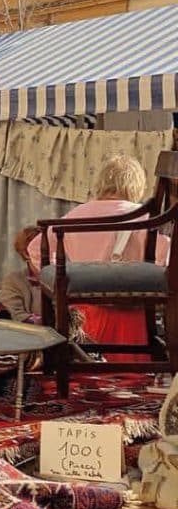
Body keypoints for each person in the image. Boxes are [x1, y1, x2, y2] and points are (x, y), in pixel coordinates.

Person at [26, 153, 169, 360]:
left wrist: (61, 278)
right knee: (131, 376)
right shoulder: (145, 217)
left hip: (84, 311)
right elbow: (167, 259)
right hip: (130, 311)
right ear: (137, 184)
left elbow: (34, 249)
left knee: (83, 373)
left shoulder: (77, 213)